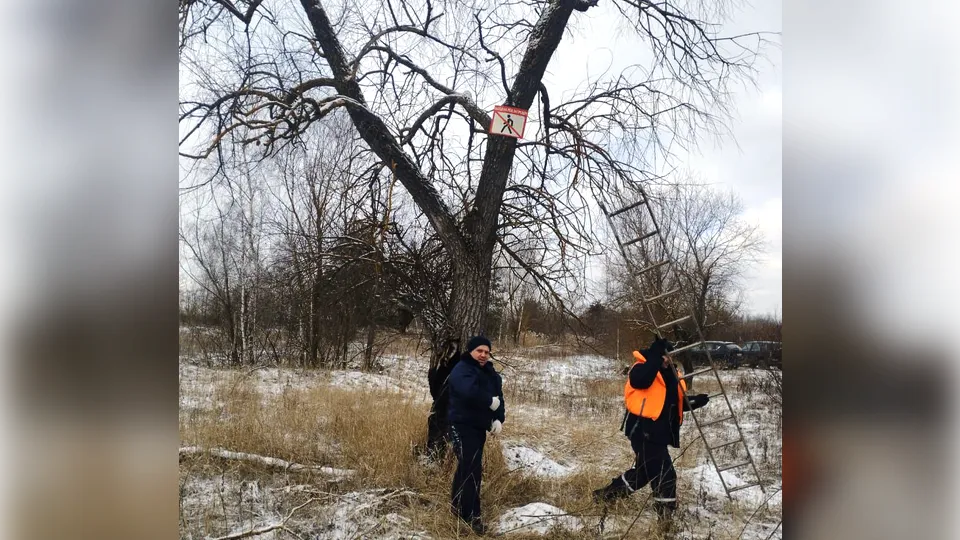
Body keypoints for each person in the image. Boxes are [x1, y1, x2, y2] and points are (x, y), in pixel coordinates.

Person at [592, 336, 711, 529]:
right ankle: (665, 519)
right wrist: (656, 356)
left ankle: (605, 496)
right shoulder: (641, 368)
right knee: (666, 474)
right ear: (658, 355)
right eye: (666, 356)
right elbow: (641, 382)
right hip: (643, 431)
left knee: (643, 473)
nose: (669, 360)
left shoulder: (669, 373)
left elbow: (670, 403)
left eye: (670, 356)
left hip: (660, 433)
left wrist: (694, 401)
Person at [447, 335, 505, 536]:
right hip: (462, 425)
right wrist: (488, 400)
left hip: (479, 427)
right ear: (471, 351)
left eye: (487, 352)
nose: (483, 355)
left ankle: (457, 507)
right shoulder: (462, 369)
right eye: (479, 351)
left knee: (467, 467)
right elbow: (467, 391)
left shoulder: (490, 373)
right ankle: (471, 516)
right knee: (471, 470)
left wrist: (498, 418)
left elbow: (499, 397)